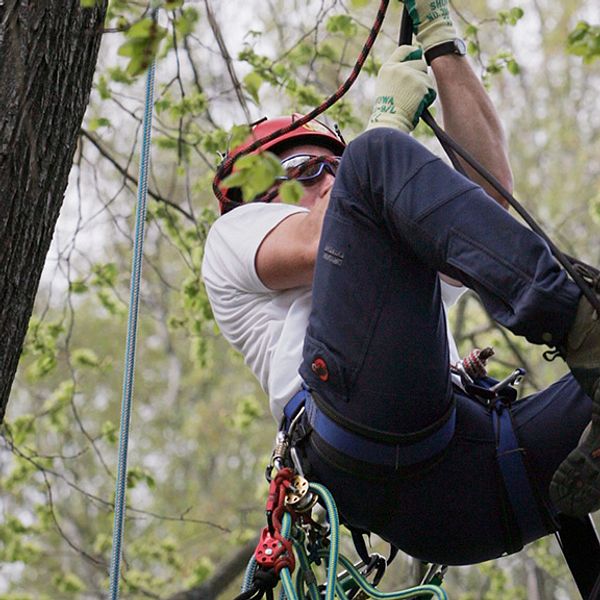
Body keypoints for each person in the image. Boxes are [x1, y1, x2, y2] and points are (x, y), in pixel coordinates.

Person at [202, 0, 600, 566]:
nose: (331, 177)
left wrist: (441, 42)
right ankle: (582, 325)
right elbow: (323, 235)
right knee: (377, 160)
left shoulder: (388, 246)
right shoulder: (235, 239)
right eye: (307, 170)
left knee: (396, 175)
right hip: (353, 427)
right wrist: (381, 130)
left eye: (336, 168)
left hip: (474, 476)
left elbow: (485, 201)